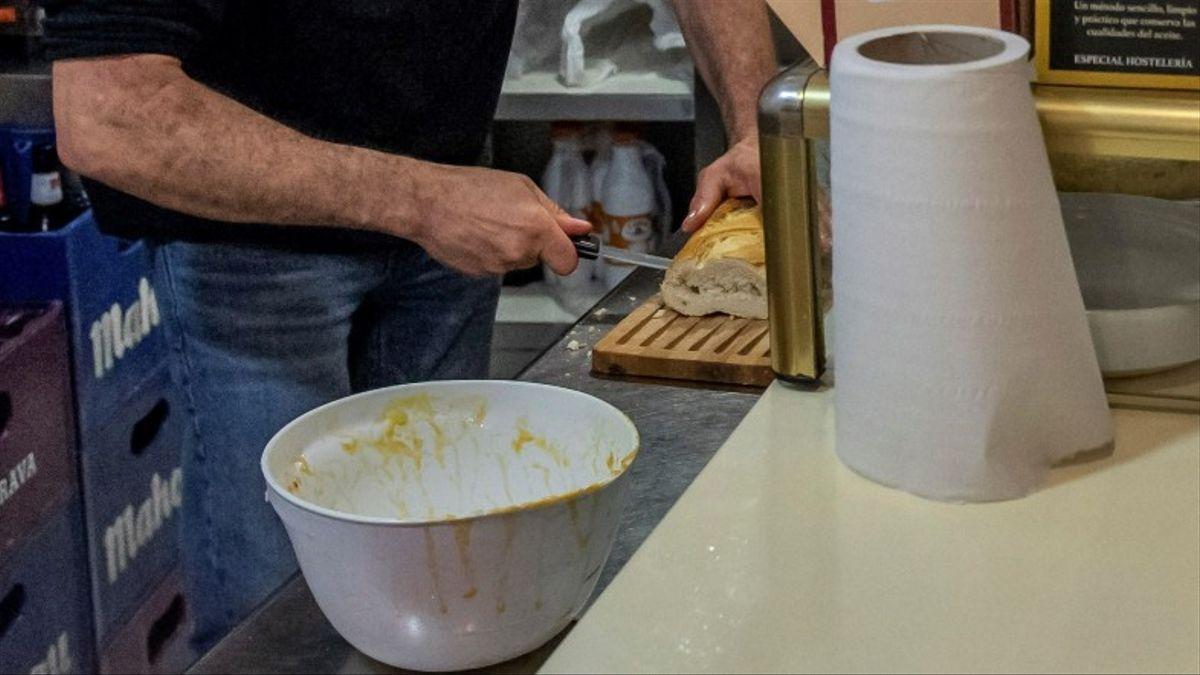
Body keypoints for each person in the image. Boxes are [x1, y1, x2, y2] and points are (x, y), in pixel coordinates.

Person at [44, 0, 778, 647]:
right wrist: (422, 200)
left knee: (447, 586)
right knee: (277, 608)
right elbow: (109, 114)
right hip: (253, 257)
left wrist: (758, 126)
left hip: (448, 209)